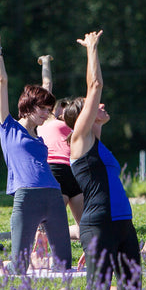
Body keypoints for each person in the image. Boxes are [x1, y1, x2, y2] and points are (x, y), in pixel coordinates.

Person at [56, 29, 141, 290]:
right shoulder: (80, 139)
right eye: (94, 106)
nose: (101, 105)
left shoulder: (100, 144)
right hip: (99, 225)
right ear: (84, 116)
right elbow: (95, 86)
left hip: (123, 223)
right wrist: (92, 48)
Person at [0, 13, 72, 274]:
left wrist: (46, 64)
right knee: (20, 266)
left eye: (49, 109)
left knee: (64, 265)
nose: (48, 113)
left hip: (53, 195)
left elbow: (47, 86)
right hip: (26, 197)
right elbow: (2, 81)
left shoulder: (40, 131)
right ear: (28, 106)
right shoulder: (8, 126)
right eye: (43, 109)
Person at [37, 54, 84, 240]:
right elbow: (46, 87)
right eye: (60, 107)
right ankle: (36, 255)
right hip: (55, 169)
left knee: (86, 228)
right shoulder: (45, 120)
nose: (63, 110)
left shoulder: (76, 126)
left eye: (68, 108)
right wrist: (46, 62)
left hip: (75, 171)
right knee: (48, 222)